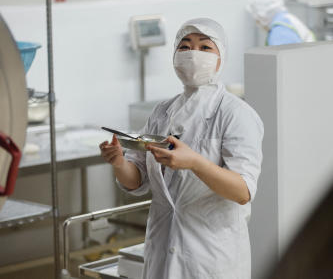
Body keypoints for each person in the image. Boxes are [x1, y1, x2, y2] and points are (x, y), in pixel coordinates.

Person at [99, 18, 264, 279]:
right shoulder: (162, 113)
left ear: (221, 58)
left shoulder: (236, 114)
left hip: (211, 258)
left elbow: (242, 191)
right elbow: (137, 181)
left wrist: (195, 163)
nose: (193, 54)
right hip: (162, 250)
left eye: (205, 47)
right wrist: (119, 162)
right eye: (185, 47)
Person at [247, 0, 315, 46]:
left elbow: (285, 59)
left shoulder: (279, 32)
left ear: (262, 14)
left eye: (257, 18)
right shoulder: (286, 20)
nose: (257, 22)